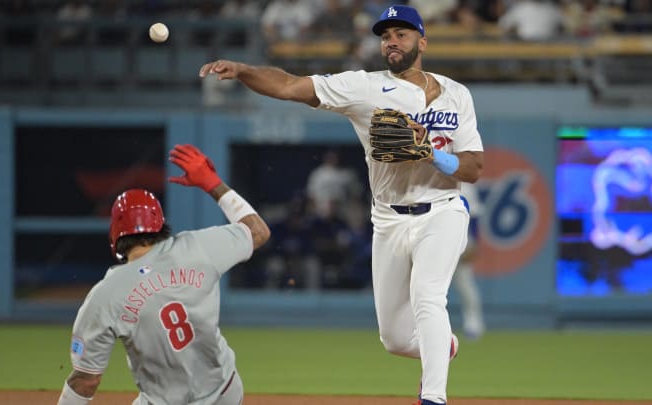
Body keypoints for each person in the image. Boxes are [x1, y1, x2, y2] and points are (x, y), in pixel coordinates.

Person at [199, 4, 484, 404]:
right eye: (385, 36)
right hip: (388, 219)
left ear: (422, 41)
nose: (391, 41)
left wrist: (431, 154)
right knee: (395, 338)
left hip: (442, 209)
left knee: (428, 296)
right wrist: (245, 71)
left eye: (400, 34)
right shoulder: (364, 87)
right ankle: (443, 346)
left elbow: (473, 168)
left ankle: (433, 397)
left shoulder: (457, 94)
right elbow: (288, 86)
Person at [56, 144, 270, 405]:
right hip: (226, 392)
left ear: (114, 234)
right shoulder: (200, 248)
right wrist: (213, 184)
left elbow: (86, 381)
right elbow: (259, 232)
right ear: (159, 223)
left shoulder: (106, 295)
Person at [453, 182, 486, 340]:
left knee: (465, 285)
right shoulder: (431, 177)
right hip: (436, 240)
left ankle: (473, 323)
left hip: (462, 241)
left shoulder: (466, 186)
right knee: (428, 287)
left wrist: (474, 243)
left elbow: (474, 217)